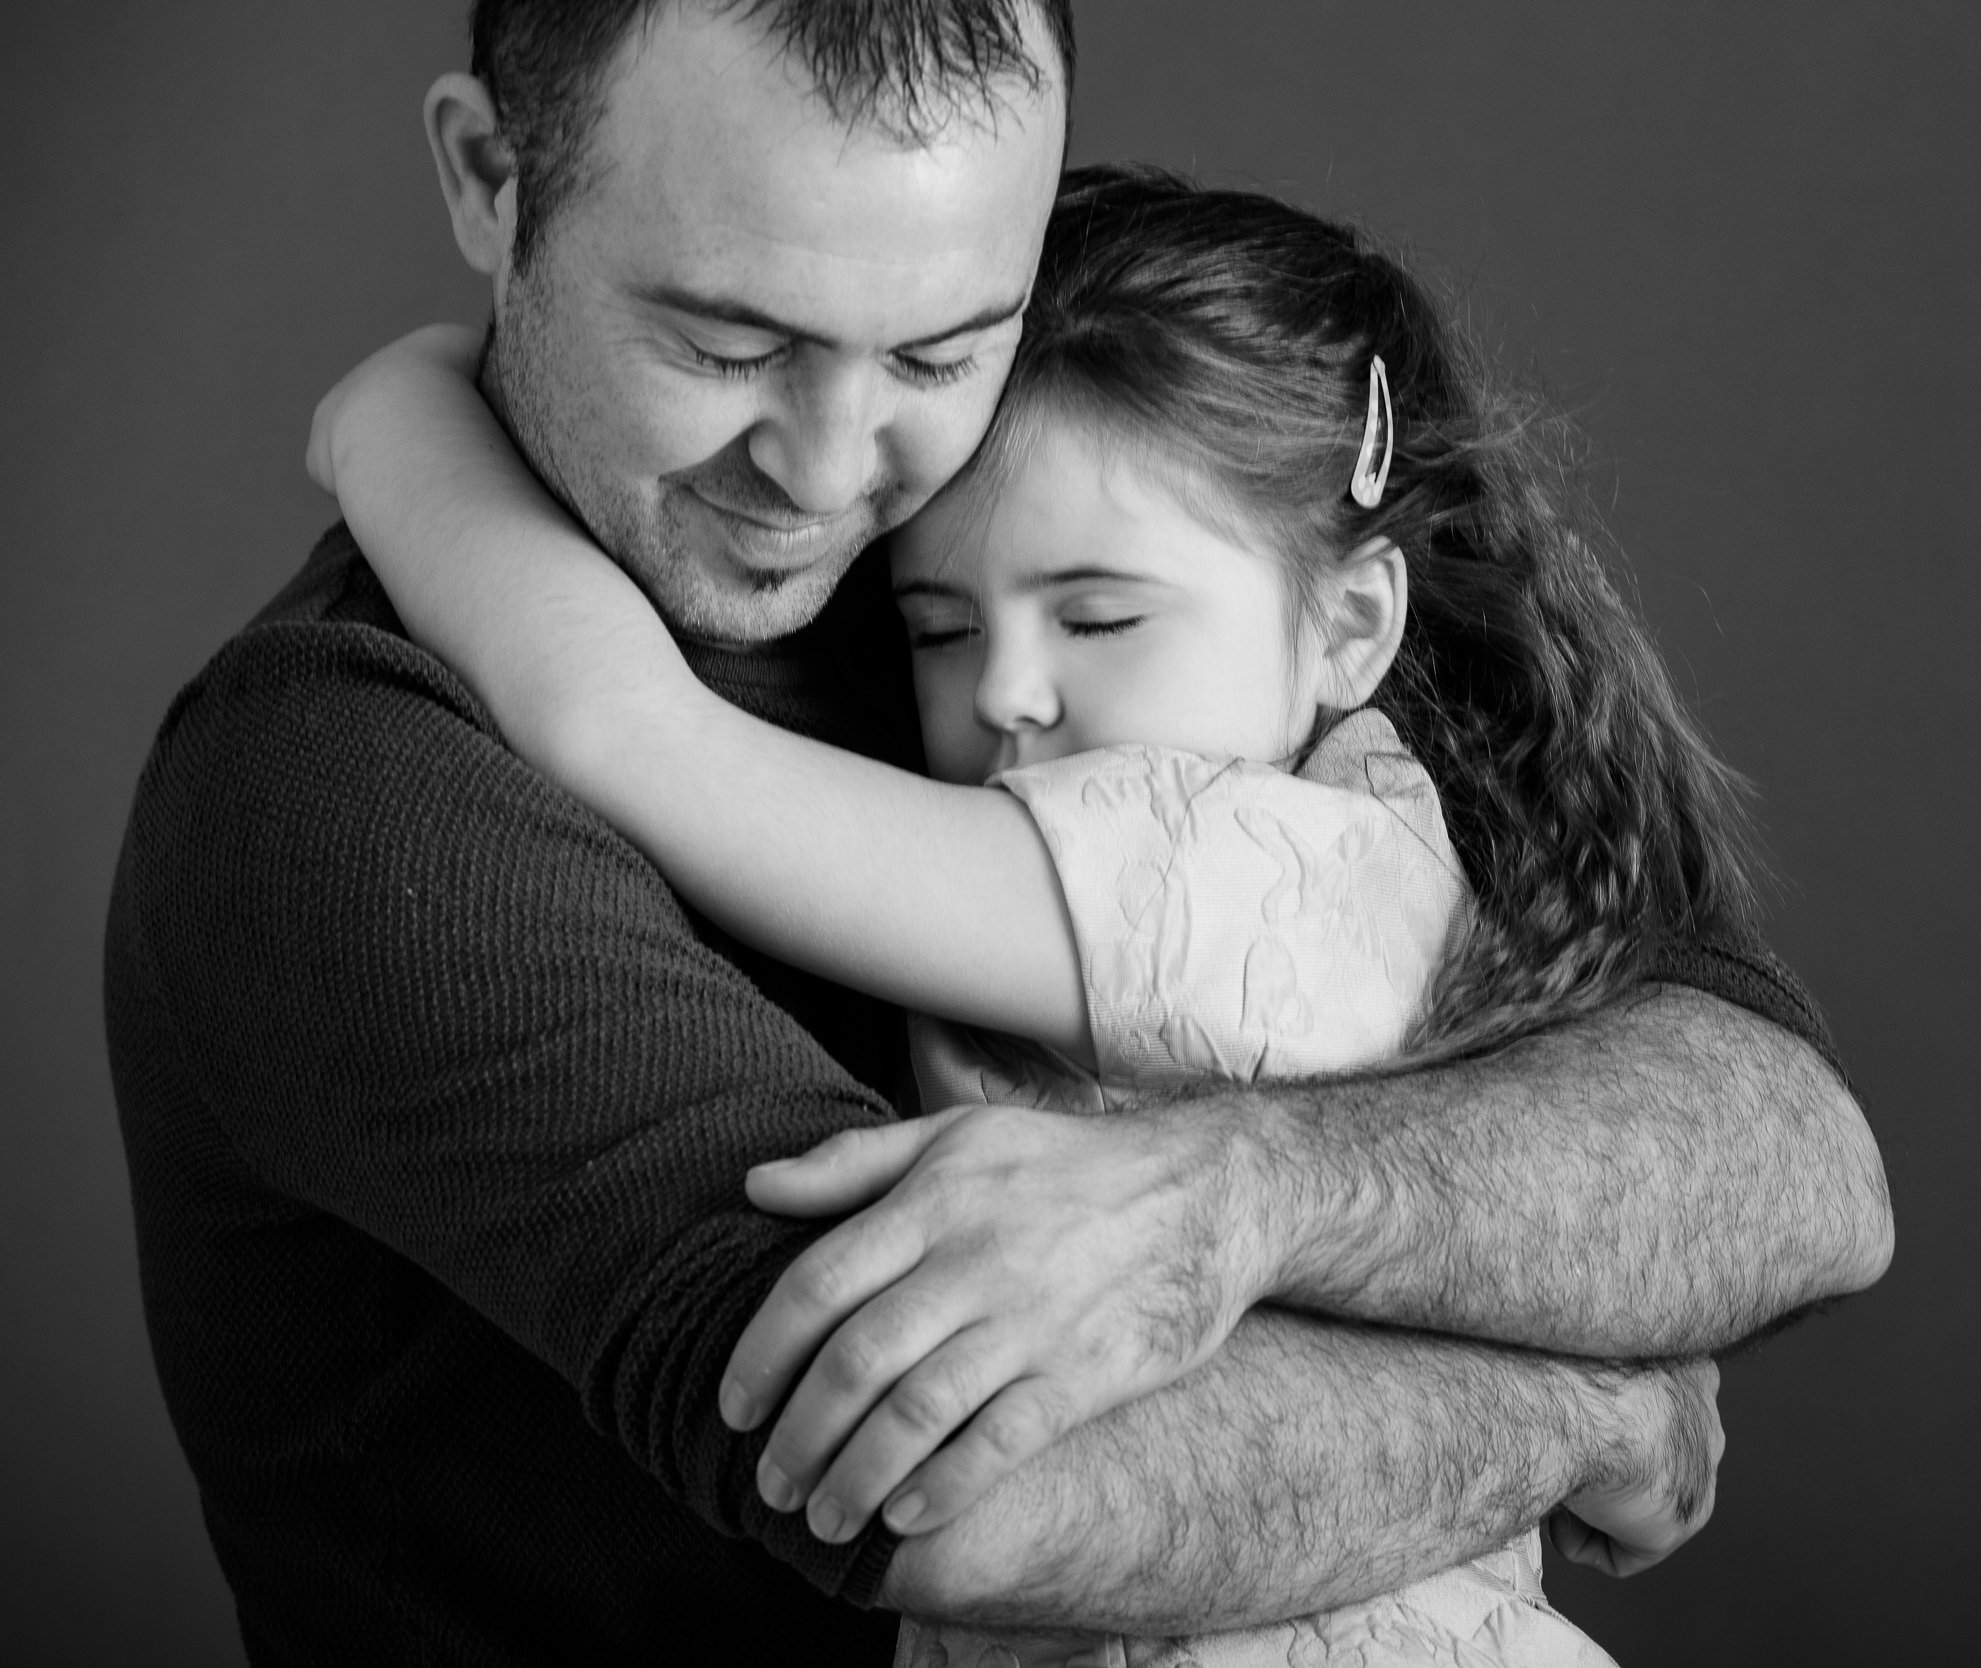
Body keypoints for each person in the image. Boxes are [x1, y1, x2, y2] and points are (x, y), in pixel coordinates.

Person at [104, 2, 1891, 1660]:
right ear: (494, 179)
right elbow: (958, 1486)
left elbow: (1790, 1152)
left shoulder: (1108, 555)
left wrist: (1251, 1197)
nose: (829, 470)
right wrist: (1585, 1397)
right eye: (727, 343)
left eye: (940, 346)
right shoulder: (347, 791)